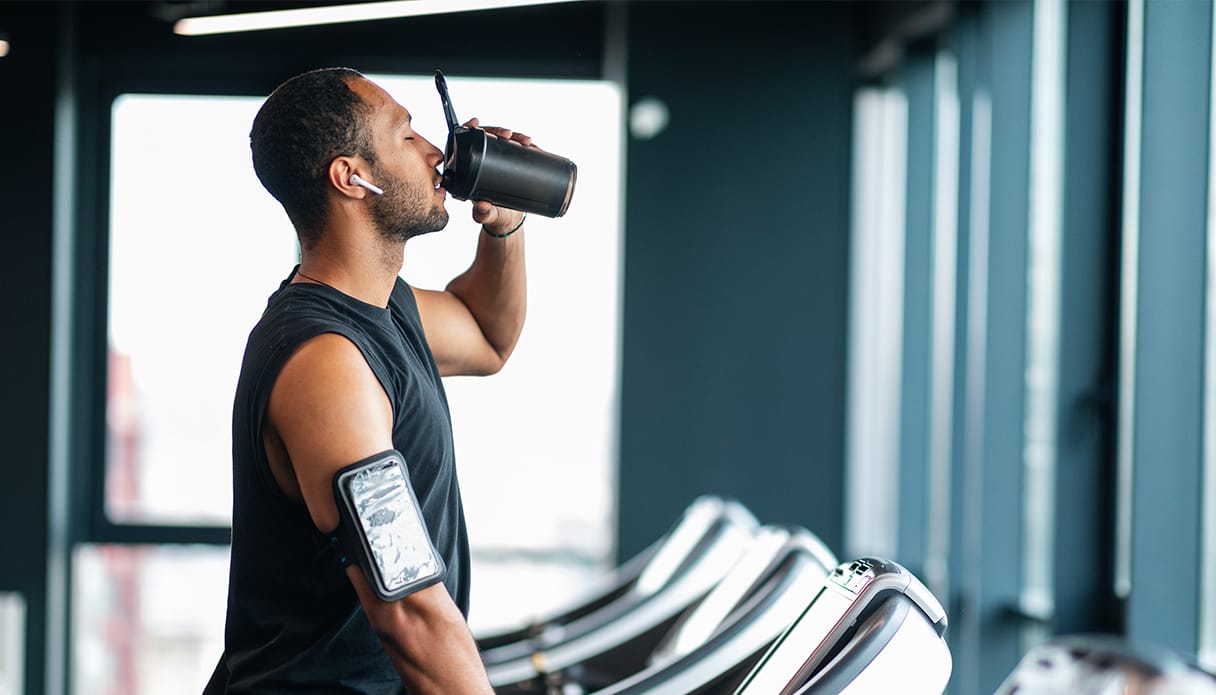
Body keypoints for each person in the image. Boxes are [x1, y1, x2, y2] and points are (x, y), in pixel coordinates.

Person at [205, 67, 535, 693]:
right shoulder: (326, 363)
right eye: (408, 136)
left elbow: (489, 338)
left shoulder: (388, 310)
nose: (438, 153)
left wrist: (505, 226)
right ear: (352, 178)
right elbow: (408, 608)